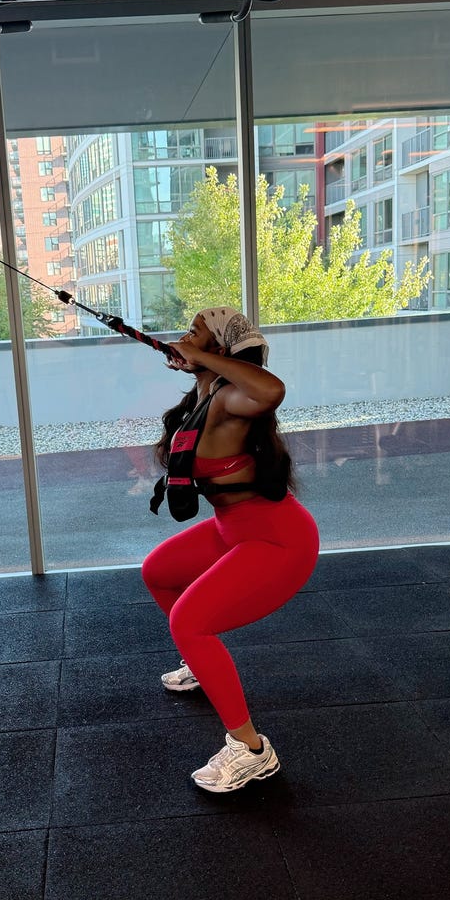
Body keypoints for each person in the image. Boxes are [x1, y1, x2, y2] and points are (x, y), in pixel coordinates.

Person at [141, 307, 319, 793]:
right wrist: (195, 360)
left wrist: (198, 357)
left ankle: (252, 750)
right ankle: (203, 665)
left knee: (188, 621)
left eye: (195, 334)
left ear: (219, 351)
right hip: (231, 528)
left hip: (277, 540)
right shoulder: (204, 395)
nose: (182, 339)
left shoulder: (232, 399)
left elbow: (273, 390)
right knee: (158, 572)